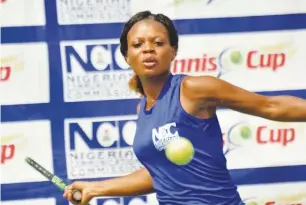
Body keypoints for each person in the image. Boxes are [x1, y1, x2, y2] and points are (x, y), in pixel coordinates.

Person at [63, 10, 306, 205]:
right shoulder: (143, 110)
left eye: (158, 42)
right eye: (137, 45)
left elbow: (270, 106)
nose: (148, 49)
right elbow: (161, 174)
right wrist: (96, 188)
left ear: (173, 52)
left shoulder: (193, 89)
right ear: (127, 56)